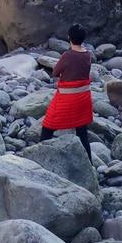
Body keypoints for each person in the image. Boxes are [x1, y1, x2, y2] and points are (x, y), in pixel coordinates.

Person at [40, 24, 95, 159]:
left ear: (69, 37)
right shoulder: (87, 54)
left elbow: (55, 72)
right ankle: (90, 164)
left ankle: (40, 157)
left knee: (48, 126)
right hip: (83, 97)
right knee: (82, 132)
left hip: (67, 97)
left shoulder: (67, 55)